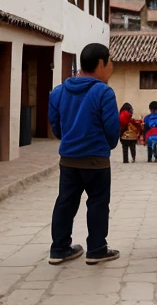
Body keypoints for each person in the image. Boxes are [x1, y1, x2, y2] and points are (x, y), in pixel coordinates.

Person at [48, 43, 120, 265]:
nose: (111, 66)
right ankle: (96, 249)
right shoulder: (103, 91)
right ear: (101, 64)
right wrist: (105, 147)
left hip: (68, 160)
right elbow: (112, 130)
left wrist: (69, 140)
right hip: (96, 161)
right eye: (110, 61)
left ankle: (59, 249)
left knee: (65, 202)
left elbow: (56, 125)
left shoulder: (59, 91)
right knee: (97, 203)